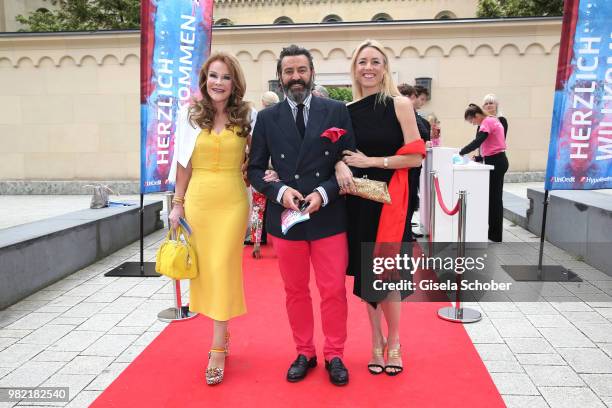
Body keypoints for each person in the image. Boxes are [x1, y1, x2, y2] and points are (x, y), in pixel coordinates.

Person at [247, 44, 356, 386]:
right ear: (280, 78)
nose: (296, 77)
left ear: (312, 74)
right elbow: (253, 169)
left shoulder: (336, 110)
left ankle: (335, 353)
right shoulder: (267, 118)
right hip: (287, 218)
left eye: (302, 71)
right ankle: (304, 351)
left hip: (328, 216)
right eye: (289, 72)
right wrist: (280, 192)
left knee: (333, 290)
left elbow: (349, 158)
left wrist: (324, 192)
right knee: (295, 291)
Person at [334, 39, 425, 376]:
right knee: (366, 277)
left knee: (389, 276)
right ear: (354, 68)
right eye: (362, 62)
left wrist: (371, 160)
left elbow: (415, 156)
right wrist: (340, 166)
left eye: (375, 61)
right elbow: (337, 154)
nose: (368, 67)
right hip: (360, 201)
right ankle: (375, 341)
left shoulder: (399, 104)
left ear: (385, 67)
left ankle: (396, 342)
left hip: (393, 203)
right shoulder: (343, 111)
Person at [168, 51, 252, 385]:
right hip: (199, 201)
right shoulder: (189, 115)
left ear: (235, 83)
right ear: (205, 80)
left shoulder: (249, 116)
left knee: (222, 266)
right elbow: (183, 163)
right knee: (207, 271)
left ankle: (217, 348)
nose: (218, 83)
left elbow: (257, 158)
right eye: (213, 76)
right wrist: (177, 204)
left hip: (232, 201)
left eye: (225, 77)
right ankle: (223, 332)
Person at [459, 104, 509, 242]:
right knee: (493, 199)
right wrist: (480, 157)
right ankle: (492, 232)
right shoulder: (491, 121)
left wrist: (460, 152)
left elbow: (478, 141)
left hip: (497, 162)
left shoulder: (487, 121)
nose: (473, 123)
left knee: (494, 200)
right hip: (495, 160)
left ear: (477, 115)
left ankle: (495, 234)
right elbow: (492, 143)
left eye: (472, 120)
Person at [247, 91, 281, 259]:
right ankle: (279, 243)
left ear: (263, 102)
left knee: (257, 209)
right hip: (278, 174)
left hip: (260, 174)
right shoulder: (284, 118)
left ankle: (256, 243)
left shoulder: (258, 119)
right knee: (281, 207)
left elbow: (253, 149)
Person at [397, 83, 430, 241]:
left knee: (410, 198)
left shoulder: (413, 114)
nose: (418, 100)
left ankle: (407, 229)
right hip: (406, 165)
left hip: (412, 164)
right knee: (407, 199)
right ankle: (405, 232)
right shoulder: (406, 114)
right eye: (416, 97)